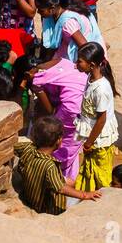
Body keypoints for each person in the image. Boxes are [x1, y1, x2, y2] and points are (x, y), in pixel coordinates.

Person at [28, 39, 90, 182]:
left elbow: (50, 111)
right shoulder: (61, 63)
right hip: (82, 108)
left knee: (64, 147)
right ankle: (69, 175)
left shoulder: (37, 80)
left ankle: (61, 176)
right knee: (72, 144)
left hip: (72, 111)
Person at [13, 115, 101, 214]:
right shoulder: (49, 166)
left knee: (71, 182)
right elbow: (61, 188)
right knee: (79, 202)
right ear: (58, 141)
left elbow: (13, 147)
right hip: (46, 207)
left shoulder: (27, 148)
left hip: (29, 195)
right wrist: (85, 195)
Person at [74, 42, 119, 191]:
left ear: (92, 65)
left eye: (79, 61)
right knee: (91, 170)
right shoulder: (91, 78)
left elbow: (102, 119)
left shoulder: (100, 90)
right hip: (93, 137)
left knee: (101, 174)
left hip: (99, 140)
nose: (76, 64)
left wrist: (88, 143)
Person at [36, 0, 103, 60]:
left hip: (85, 55)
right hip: (67, 46)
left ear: (52, 9)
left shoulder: (67, 23)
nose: (38, 12)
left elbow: (85, 46)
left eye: (41, 10)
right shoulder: (57, 13)